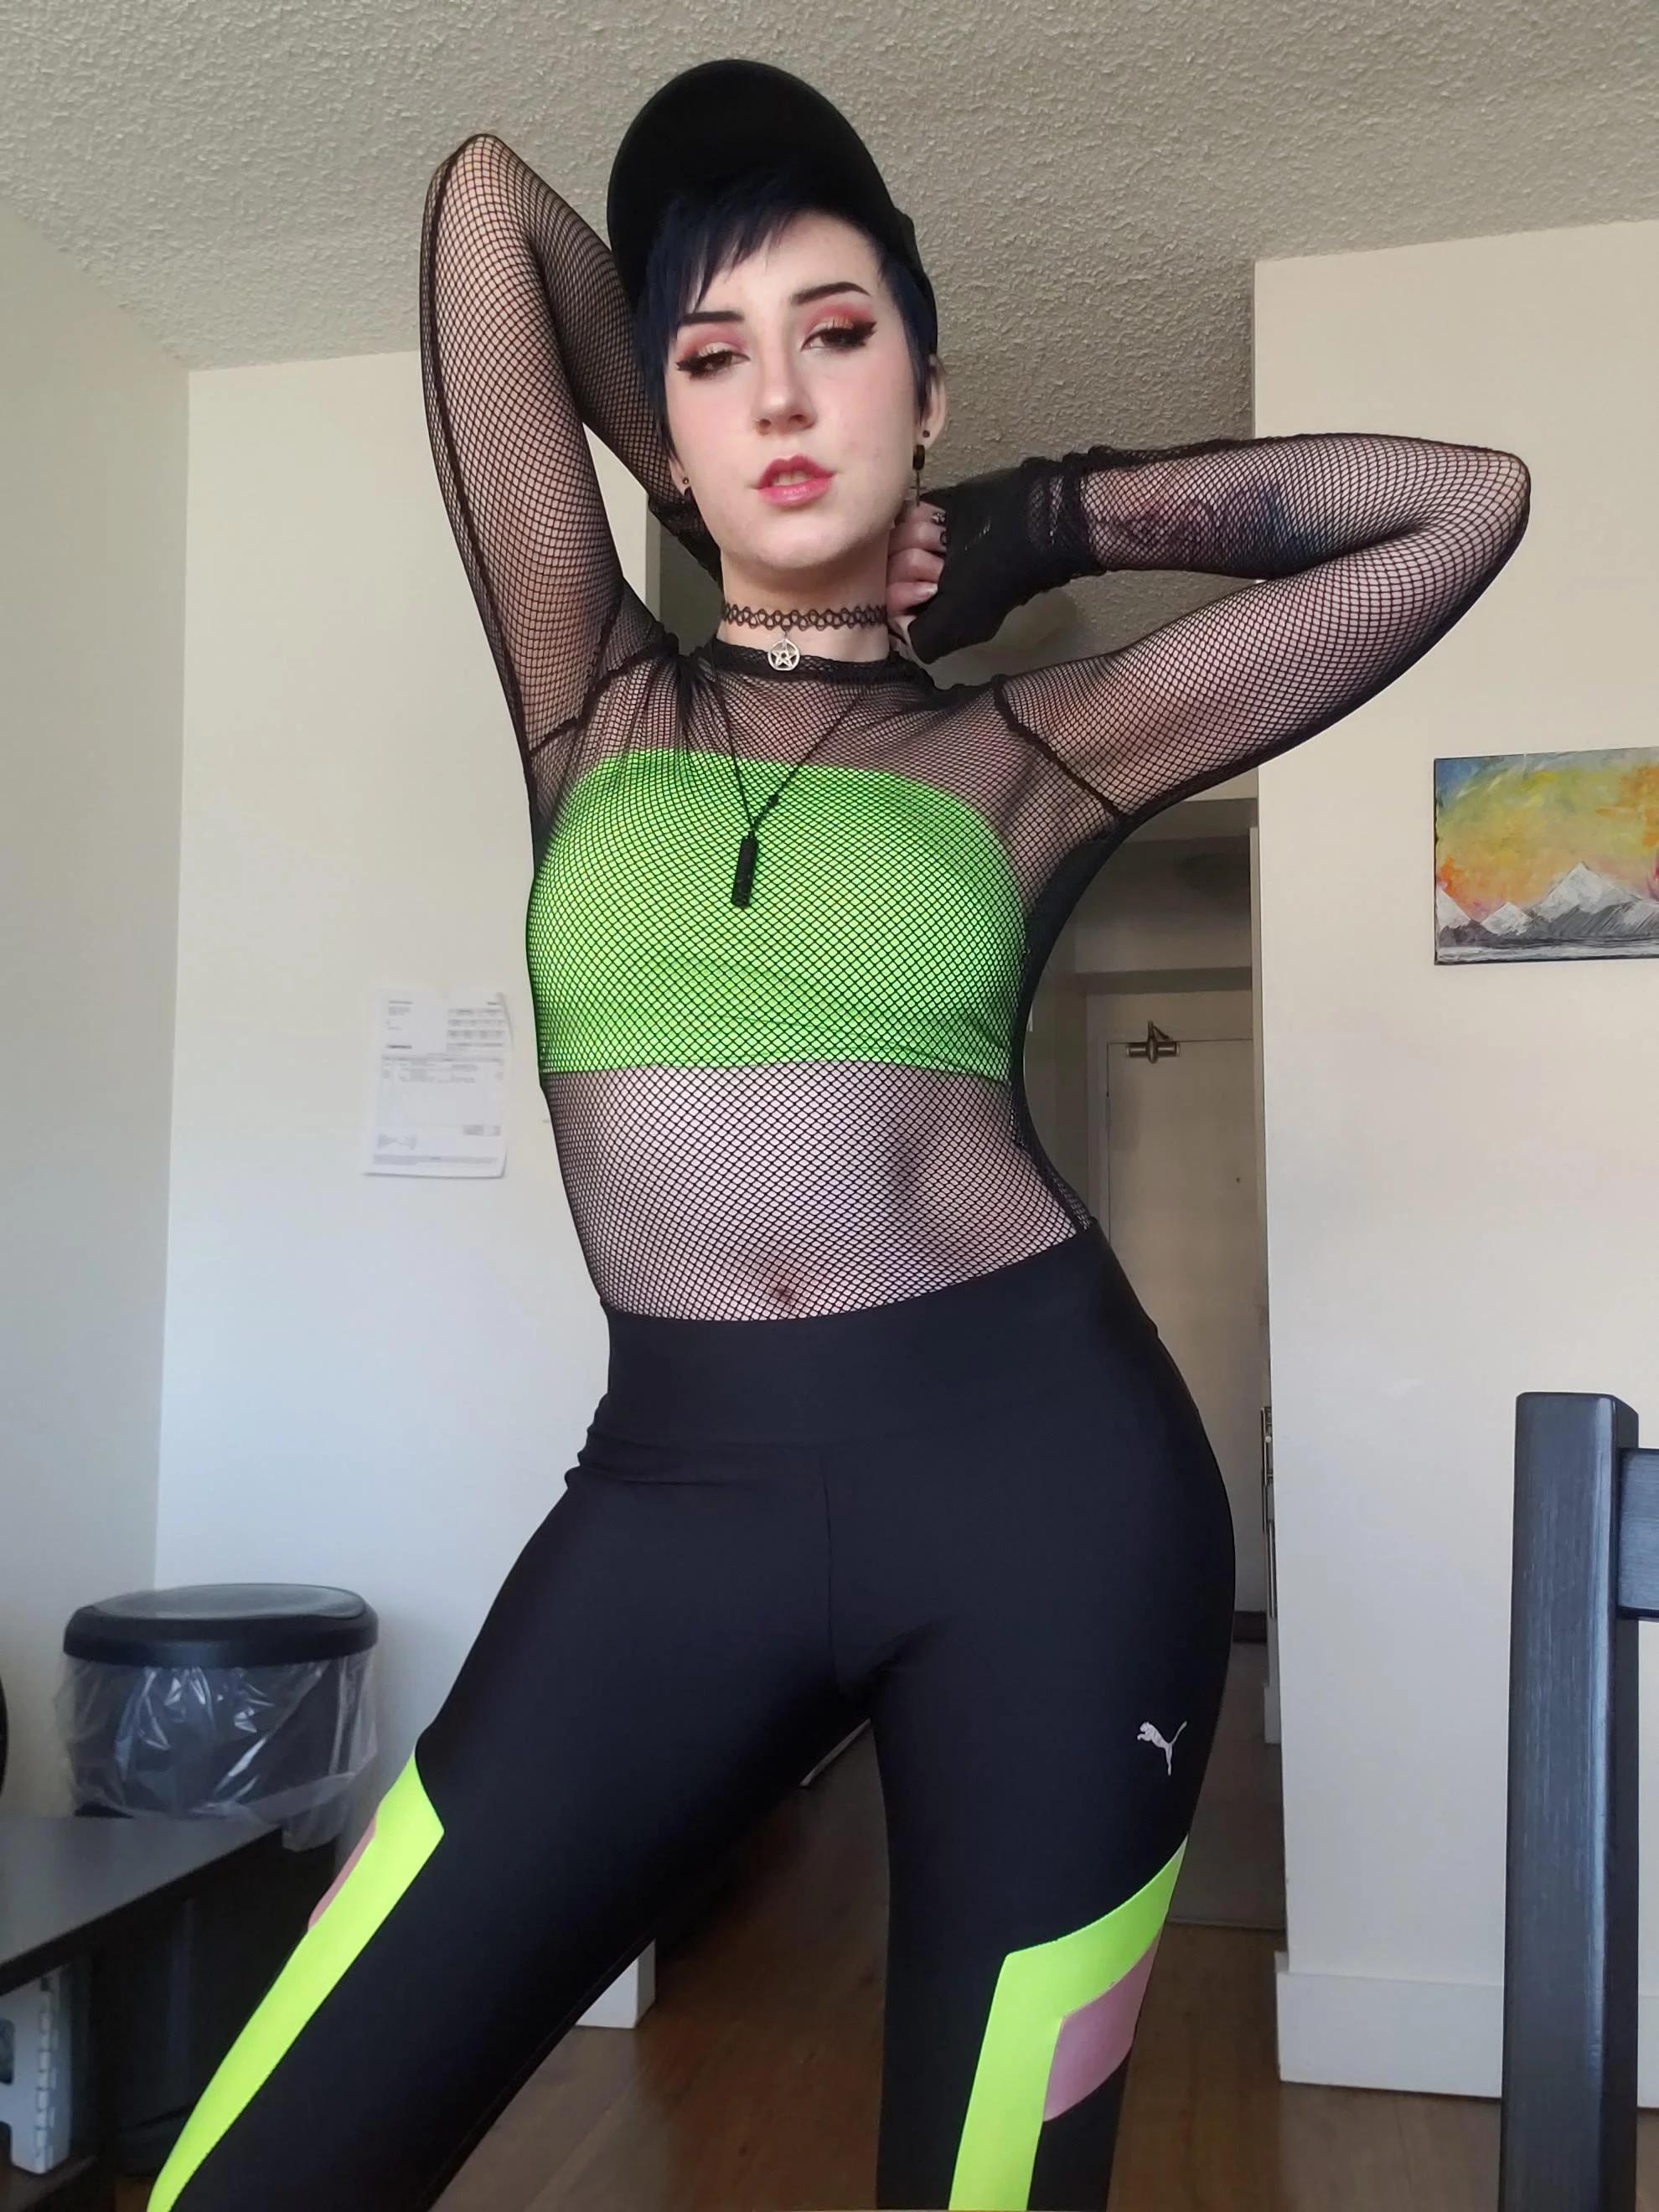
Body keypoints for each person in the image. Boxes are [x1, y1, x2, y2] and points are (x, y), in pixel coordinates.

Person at [148, 56, 1531, 2212]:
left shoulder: (1034, 752)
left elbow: (1462, 507)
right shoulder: (588, 693)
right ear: (664, 423)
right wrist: (695, 454)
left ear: (927, 390)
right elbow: (487, 209)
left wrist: (1044, 522)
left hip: (1053, 1500)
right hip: (673, 1499)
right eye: (715, 356)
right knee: (263, 2166)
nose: (781, 393)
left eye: (839, 334)